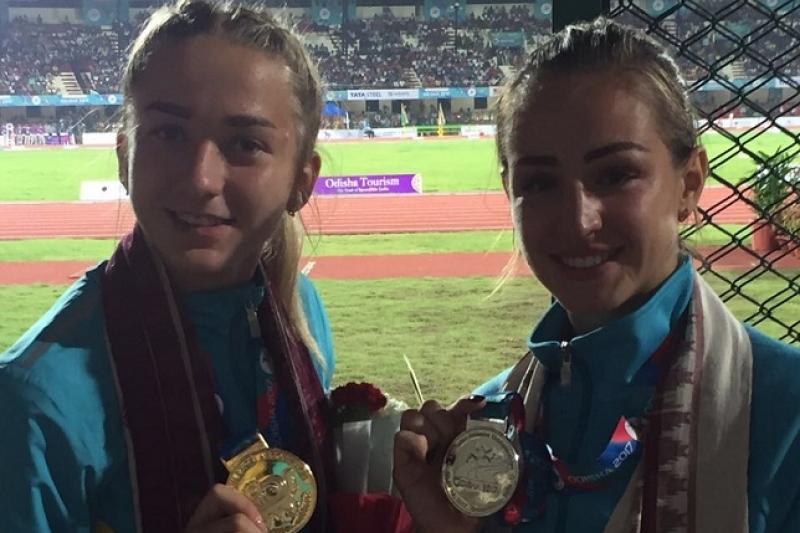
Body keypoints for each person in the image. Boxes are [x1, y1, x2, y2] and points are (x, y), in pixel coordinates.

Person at [394, 18, 800, 533]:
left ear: (689, 184)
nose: (578, 220)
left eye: (615, 174)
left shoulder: (785, 418)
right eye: (540, 183)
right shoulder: (480, 438)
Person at [0, 1, 338, 532]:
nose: (201, 178)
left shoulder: (303, 315)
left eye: (245, 144)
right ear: (124, 157)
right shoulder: (34, 402)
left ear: (302, 181)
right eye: (169, 133)